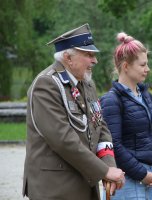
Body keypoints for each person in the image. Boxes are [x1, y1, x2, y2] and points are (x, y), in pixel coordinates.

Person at [22, 23, 125, 200]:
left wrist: (109, 165)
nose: (95, 61)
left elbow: (101, 127)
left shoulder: (87, 83)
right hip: (56, 189)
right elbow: (63, 140)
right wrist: (105, 171)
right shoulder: (46, 85)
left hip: (83, 183)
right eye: (89, 55)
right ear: (68, 58)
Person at [100, 32, 152, 200]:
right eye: (142, 65)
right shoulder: (111, 100)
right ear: (125, 66)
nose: (148, 69)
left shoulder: (146, 95)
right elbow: (114, 145)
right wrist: (141, 174)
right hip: (128, 183)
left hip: (151, 180)